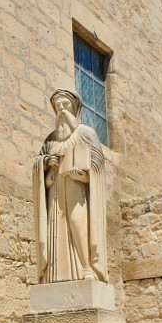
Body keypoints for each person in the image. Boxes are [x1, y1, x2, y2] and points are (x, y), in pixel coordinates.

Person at [33, 88, 108, 283]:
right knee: (55, 229)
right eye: (58, 107)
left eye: (66, 106)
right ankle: (54, 274)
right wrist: (47, 165)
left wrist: (83, 175)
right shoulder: (50, 141)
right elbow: (39, 169)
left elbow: (97, 164)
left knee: (78, 223)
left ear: (75, 109)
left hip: (77, 191)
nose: (62, 111)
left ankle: (87, 267)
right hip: (55, 192)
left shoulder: (86, 134)